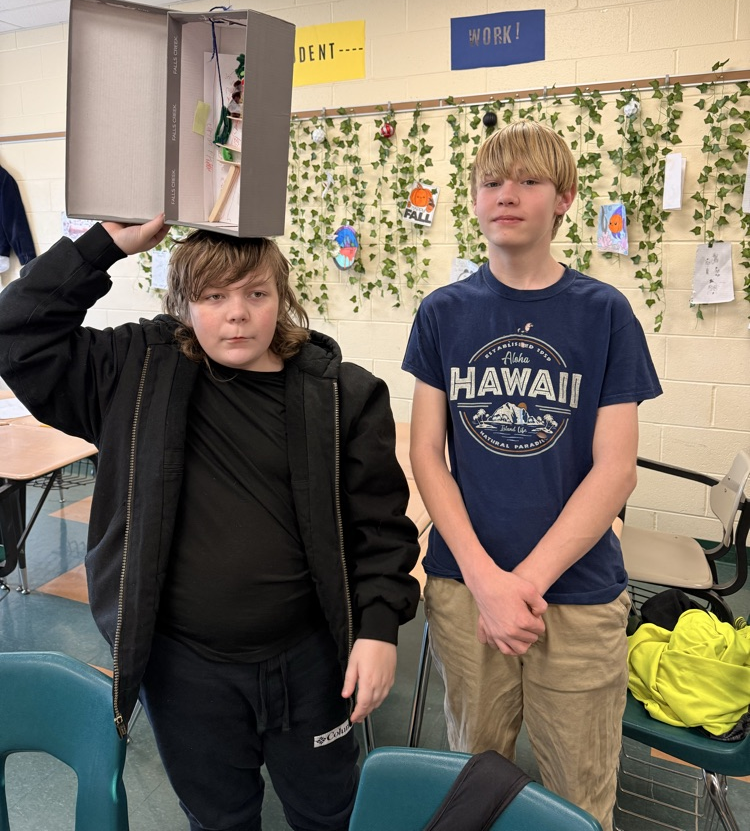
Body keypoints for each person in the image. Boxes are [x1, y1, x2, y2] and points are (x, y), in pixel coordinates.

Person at [0, 215, 419, 831]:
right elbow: (16, 332)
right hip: (184, 670)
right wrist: (106, 244)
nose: (237, 314)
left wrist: (379, 629)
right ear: (183, 305)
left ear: (283, 297)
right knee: (219, 819)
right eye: (213, 296)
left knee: (329, 812)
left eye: (256, 293)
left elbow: (380, 528)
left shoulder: (342, 396)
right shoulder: (133, 374)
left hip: (311, 659)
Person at [402, 120, 662, 831]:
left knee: (579, 790)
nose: (506, 195)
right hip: (466, 588)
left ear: (565, 198)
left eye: (528, 181)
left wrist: (526, 583)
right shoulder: (442, 313)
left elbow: (616, 470)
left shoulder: (603, 313)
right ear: (473, 199)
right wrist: (488, 583)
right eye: (491, 182)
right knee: (477, 777)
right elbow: (429, 454)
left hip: (574, 596)